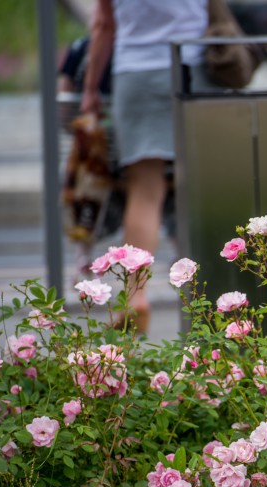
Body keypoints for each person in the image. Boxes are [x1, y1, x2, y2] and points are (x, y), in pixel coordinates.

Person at [81, 0, 210, 334]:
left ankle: (136, 295)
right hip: (191, 65)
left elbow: (104, 26)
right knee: (199, 186)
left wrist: (91, 88)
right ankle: (206, 294)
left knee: (144, 190)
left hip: (135, 71)